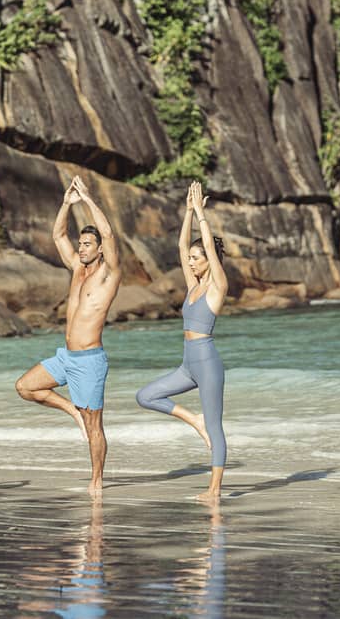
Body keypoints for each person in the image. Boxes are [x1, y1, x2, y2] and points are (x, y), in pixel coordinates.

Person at [15, 175, 122, 496]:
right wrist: (65, 203)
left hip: (90, 361)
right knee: (25, 387)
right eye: (81, 244)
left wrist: (88, 199)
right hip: (66, 358)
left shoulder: (110, 273)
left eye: (88, 245)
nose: (82, 248)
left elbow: (108, 231)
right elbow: (58, 234)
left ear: (101, 250)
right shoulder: (77, 267)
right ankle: (71, 409)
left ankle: (96, 480)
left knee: (94, 428)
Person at [135, 181, 229, 503]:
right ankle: (193, 420)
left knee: (215, 428)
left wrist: (202, 215)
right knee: (146, 395)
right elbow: (179, 246)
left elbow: (207, 249)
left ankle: (214, 491)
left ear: (209, 260)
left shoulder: (217, 286)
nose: (189, 262)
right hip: (188, 363)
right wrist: (187, 212)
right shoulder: (192, 286)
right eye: (189, 259)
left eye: (195, 258)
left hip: (207, 363)